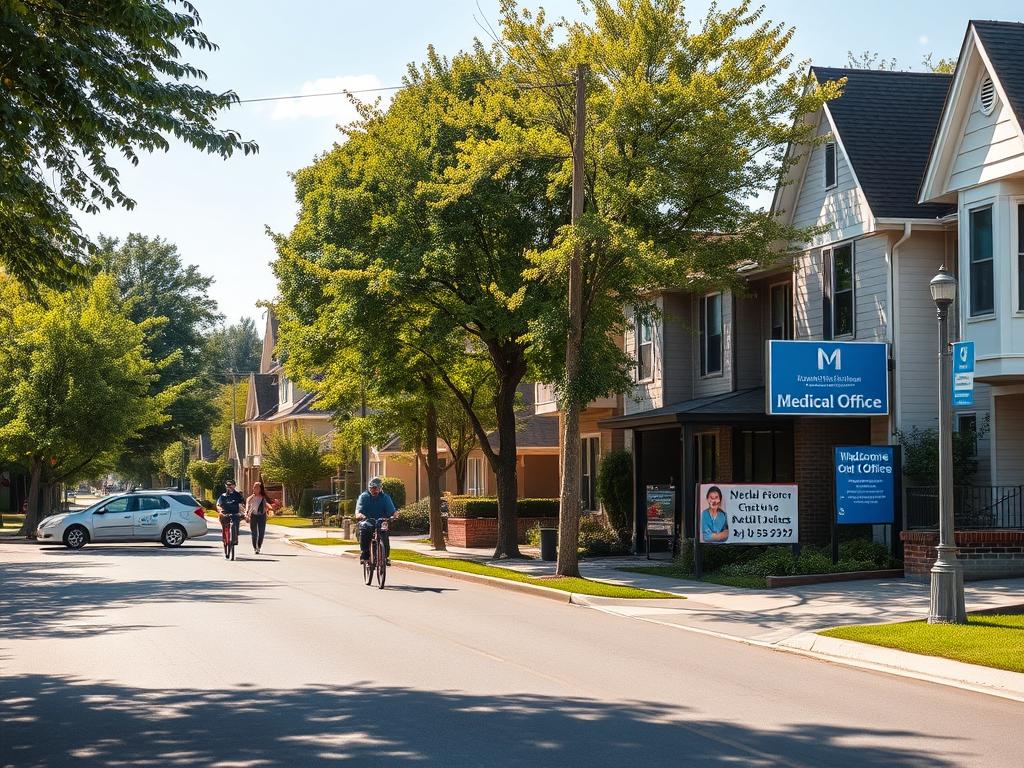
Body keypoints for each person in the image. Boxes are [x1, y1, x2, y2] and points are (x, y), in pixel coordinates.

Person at [356, 477, 397, 565]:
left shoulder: (385, 497)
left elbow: (392, 511)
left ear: (380, 488)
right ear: (369, 488)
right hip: (368, 521)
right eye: (372, 488)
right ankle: (364, 555)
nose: (375, 490)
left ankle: (385, 557)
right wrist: (360, 515)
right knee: (365, 531)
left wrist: (393, 516)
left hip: (381, 521)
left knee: (384, 535)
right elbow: (358, 511)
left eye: (376, 488)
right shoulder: (364, 497)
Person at [245, 481, 277, 554]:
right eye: (254, 487)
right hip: (253, 516)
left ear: (260, 489)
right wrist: (246, 512)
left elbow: (267, 504)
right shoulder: (251, 497)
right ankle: (255, 548)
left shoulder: (263, 497)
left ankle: (258, 547)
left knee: (261, 533)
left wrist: (271, 508)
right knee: (254, 533)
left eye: (256, 487)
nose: (254, 489)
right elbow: (247, 504)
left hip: (262, 516)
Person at [216, 480, 246, 550]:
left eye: (231, 485)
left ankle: (235, 539)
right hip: (225, 513)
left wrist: (243, 512)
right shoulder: (223, 496)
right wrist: (220, 511)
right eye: (227, 485)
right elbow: (218, 504)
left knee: (236, 524)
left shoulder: (238, 495)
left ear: (234, 486)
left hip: (235, 513)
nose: (229, 487)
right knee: (224, 525)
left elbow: (242, 504)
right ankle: (225, 539)